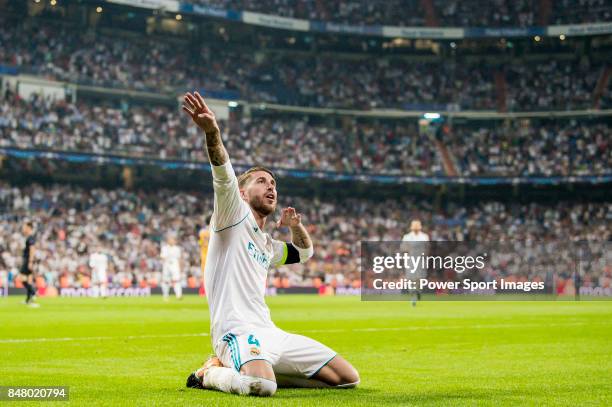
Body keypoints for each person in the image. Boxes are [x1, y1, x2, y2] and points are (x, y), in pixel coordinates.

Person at [182, 91, 359, 396]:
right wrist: (212, 132)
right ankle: (210, 373)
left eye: (273, 183)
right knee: (262, 387)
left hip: (270, 332)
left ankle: (255, 371)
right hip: (236, 332)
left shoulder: (267, 245)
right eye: (261, 181)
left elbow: (304, 253)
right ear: (242, 191)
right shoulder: (232, 216)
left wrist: (296, 226)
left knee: (347, 378)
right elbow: (222, 173)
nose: (270, 186)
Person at [402, 219, 430, 306]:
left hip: (421, 259)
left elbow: (427, 248)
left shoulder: (424, 236)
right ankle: (413, 295)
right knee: (410, 278)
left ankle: (418, 292)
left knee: (420, 278)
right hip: (411, 259)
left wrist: (425, 256)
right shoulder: (407, 237)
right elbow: (403, 248)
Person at [20, 221, 38, 307]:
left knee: (22, 279)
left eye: (24, 227)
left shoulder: (30, 238)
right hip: (27, 259)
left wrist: (30, 262)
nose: (23, 229)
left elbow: (32, 249)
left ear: (29, 228)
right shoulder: (29, 237)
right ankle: (28, 300)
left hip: (28, 260)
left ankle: (34, 293)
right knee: (28, 280)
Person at [160, 234, 183, 300]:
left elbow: (179, 258)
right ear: (168, 241)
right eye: (170, 240)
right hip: (166, 264)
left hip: (175, 264)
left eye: (173, 240)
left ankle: (179, 295)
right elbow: (162, 257)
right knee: (165, 281)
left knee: (177, 280)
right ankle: (165, 295)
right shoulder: (164, 248)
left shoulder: (177, 248)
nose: (172, 241)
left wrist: (180, 267)